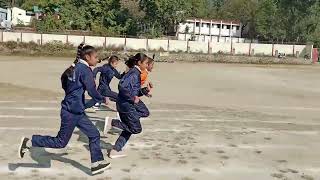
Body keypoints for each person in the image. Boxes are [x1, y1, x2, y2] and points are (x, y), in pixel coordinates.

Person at [18, 45, 111, 175]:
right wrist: (103, 98)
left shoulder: (74, 68)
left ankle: (96, 163)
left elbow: (64, 81)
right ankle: (30, 142)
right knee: (60, 142)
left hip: (76, 110)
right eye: (95, 57)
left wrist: (74, 96)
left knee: (94, 134)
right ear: (87, 57)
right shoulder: (84, 70)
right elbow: (92, 90)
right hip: (71, 112)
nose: (97, 60)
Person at [105, 53, 150, 158]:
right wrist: (133, 98)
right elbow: (122, 86)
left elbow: (134, 91)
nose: (147, 65)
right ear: (139, 63)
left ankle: (116, 150)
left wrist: (145, 90)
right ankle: (113, 122)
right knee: (136, 128)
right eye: (146, 63)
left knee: (129, 128)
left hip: (125, 104)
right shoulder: (134, 73)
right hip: (126, 105)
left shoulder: (135, 73)